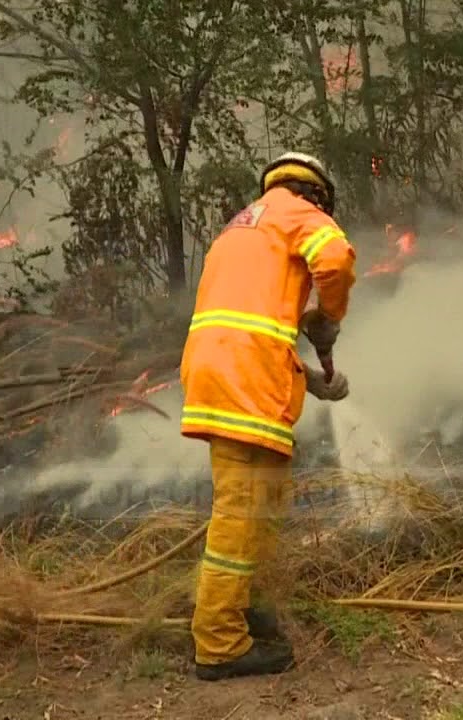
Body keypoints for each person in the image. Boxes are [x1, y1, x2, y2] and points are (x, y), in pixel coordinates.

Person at [179, 151, 357, 681]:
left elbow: (253, 327)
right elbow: (336, 260)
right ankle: (219, 642)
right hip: (246, 383)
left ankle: (246, 605)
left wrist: (309, 380)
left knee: (264, 502)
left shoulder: (241, 230)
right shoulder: (298, 213)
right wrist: (327, 318)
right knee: (242, 512)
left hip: (224, 374)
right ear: (317, 193)